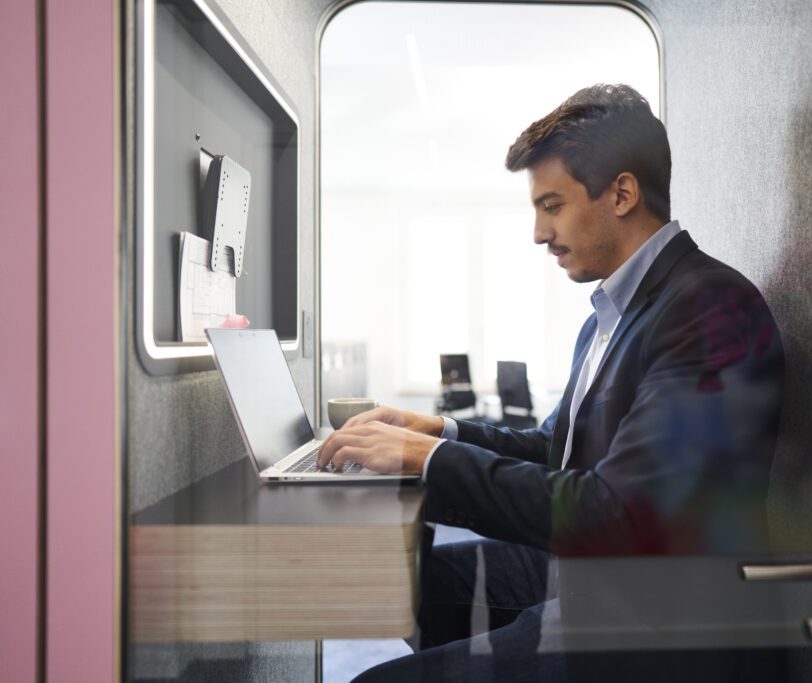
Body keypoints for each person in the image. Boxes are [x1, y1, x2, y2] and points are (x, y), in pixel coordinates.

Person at [319, 84, 786, 682]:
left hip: (661, 625)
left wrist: (431, 459)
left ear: (621, 193)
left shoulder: (708, 309)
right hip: (599, 578)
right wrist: (440, 430)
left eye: (553, 205)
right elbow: (556, 450)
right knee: (407, 582)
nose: (540, 233)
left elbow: (615, 514)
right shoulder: (610, 315)